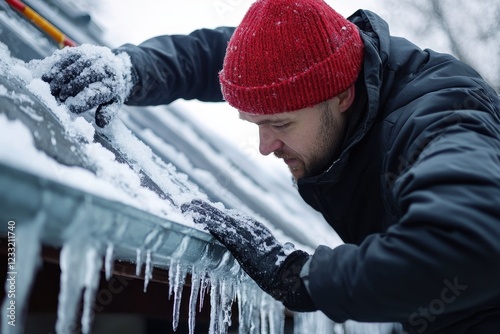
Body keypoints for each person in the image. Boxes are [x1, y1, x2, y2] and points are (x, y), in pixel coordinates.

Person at [41, 0, 500, 332]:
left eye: (279, 123)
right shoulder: (336, 69)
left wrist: (303, 276)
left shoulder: (438, 123)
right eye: (254, 122)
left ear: (343, 95)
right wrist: (132, 68)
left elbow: (472, 243)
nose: (264, 146)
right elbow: (219, 58)